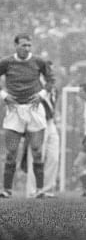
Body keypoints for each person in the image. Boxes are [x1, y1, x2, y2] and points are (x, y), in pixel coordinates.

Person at [0, 33, 55, 199]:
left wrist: (43, 94)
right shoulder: (6, 62)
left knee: (37, 151)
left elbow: (51, 80)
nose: (27, 48)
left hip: (34, 109)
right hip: (14, 109)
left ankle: (40, 190)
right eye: (23, 45)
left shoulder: (39, 61)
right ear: (16, 45)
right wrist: (3, 95)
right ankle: (6, 190)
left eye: (29, 45)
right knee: (11, 152)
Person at [24, 87, 60, 198]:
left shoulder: (54, 89)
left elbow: (52, 106)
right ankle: (32, 191)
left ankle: (46, 189)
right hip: (37, 123)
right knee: (35, 159)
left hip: (50, 123)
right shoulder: (34, 84)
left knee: (54, 158)